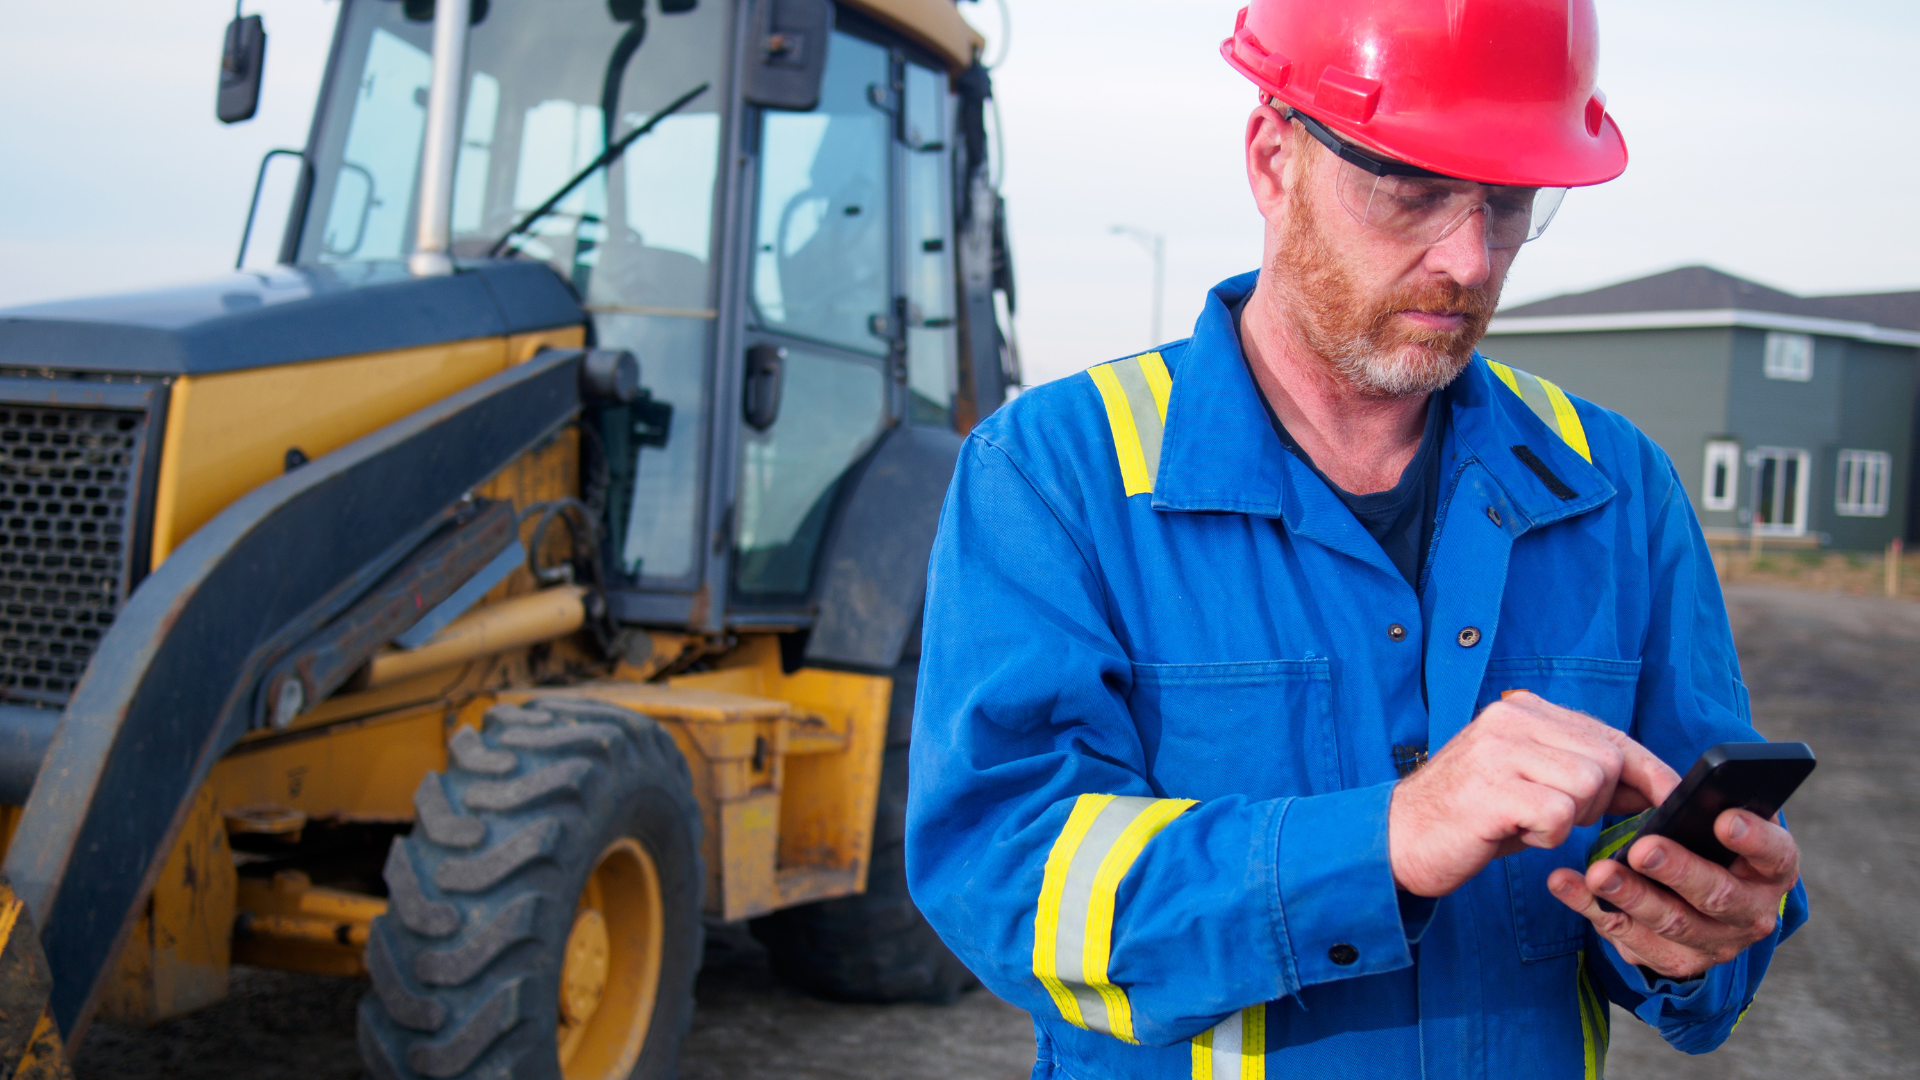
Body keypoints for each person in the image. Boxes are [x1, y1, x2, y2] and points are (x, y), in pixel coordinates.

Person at [904, 1, 1808, 1077]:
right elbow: (1003, 880)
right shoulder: (1059, 475)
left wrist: (1701, 927)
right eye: (1412, 187)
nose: (1470, 259)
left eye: (1510, 200)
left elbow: (1688, 891)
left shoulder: (1615, 489)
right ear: (1274, 159)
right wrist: (1383, 842)